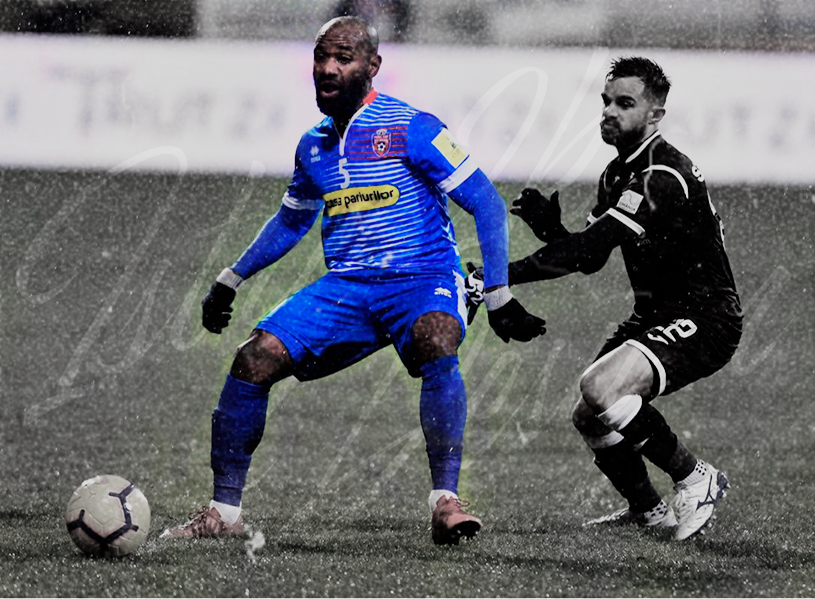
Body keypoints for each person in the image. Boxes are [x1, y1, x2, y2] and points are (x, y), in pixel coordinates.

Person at [161, 16, 545, 546]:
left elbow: (486, 201)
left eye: (342, 58)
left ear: (372, 66)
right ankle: (224, 514)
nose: (327, 68)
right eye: (321, 57)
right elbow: (292, 220)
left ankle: (446, 502)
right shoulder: (313, 146)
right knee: (254, 358)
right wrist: (231, 277)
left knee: (436, 337)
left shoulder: (412, 127)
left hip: (423, 278)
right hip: (348, 288)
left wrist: (499, 294)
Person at [467, 56, 742, 540]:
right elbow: (592, 257)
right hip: (656, 314)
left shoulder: (662, 175)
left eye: (625, 103)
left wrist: (495, 277)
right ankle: (649, 511)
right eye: (606, 101)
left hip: (706, 317)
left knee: (601, 389)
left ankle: (695, 477)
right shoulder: (619, 173)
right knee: (590, 414)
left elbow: (585, 251)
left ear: (655, 114)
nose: (609, 112)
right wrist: (550, 229)